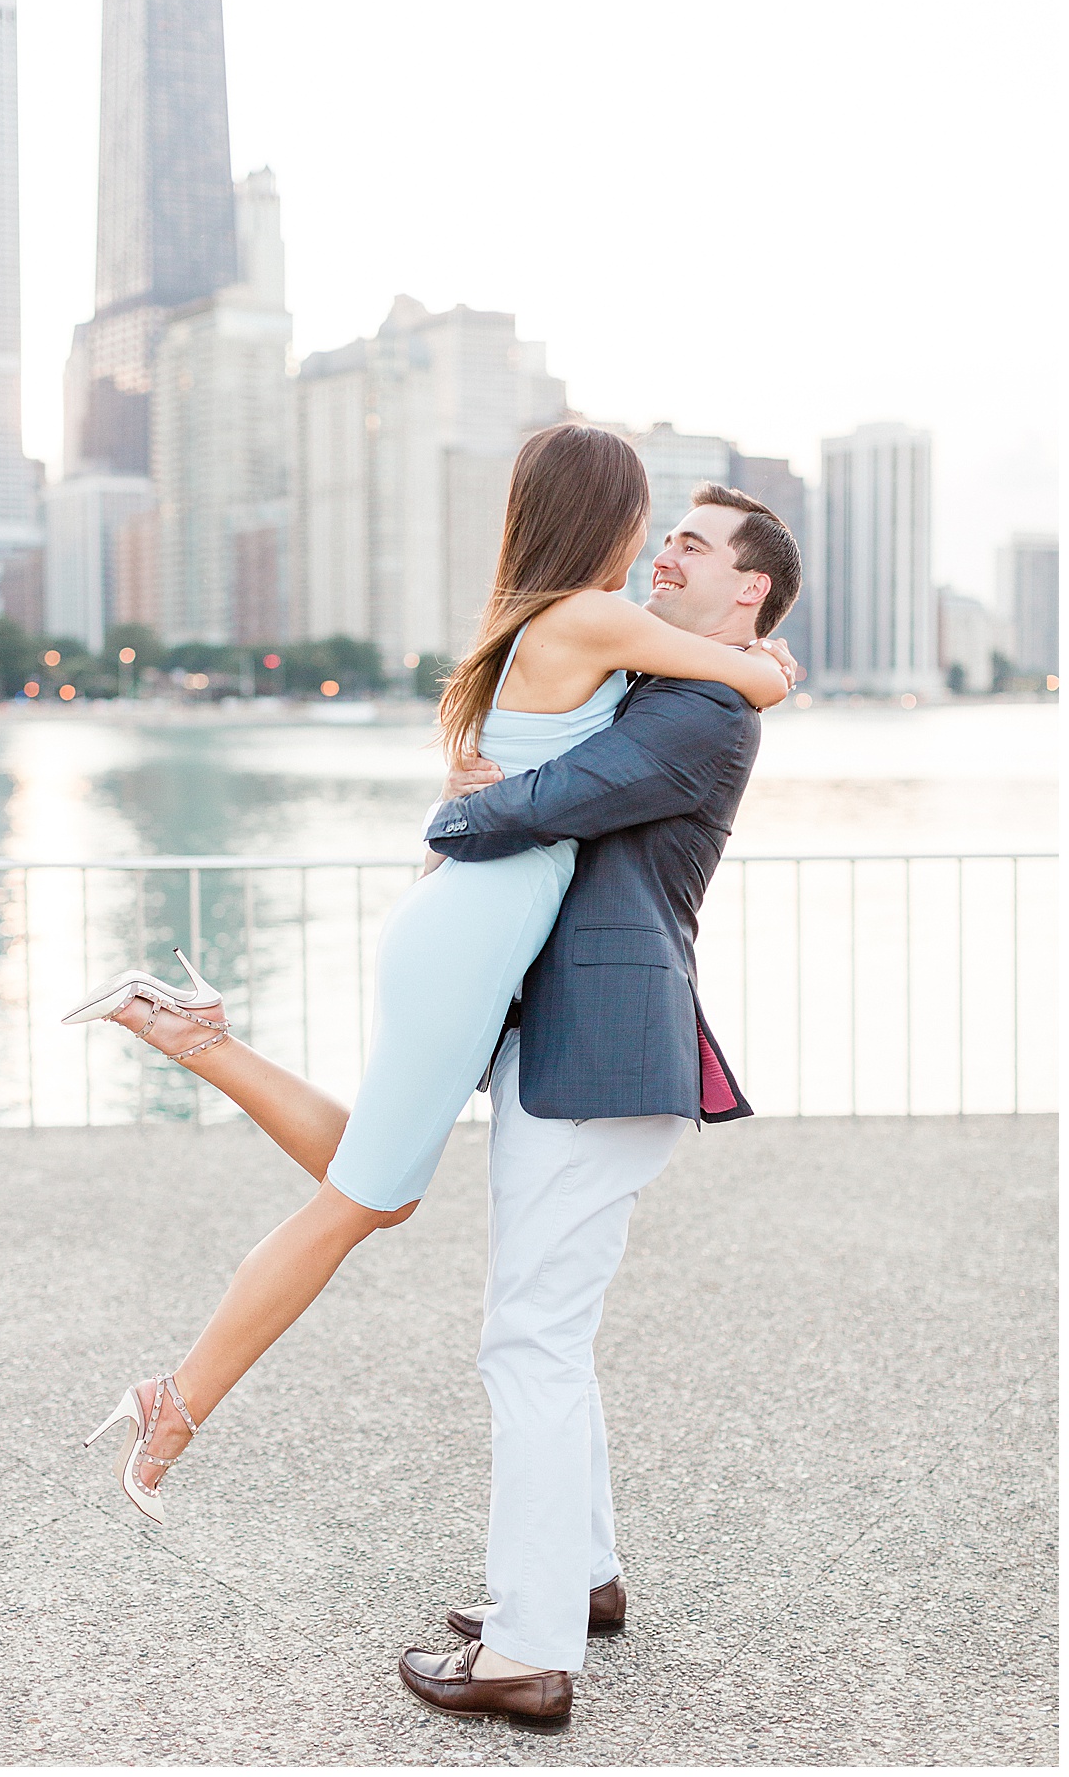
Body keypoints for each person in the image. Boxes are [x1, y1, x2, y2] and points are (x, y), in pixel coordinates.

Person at [66, 426, 793, 1540]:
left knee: (382, 1183)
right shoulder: (594, 618)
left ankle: (195, 1034)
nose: (651, 540)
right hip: (471, 927)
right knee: (359, 1199)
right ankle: (175, 1402)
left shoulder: (552, 621)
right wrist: (774, 663)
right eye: (646, 516)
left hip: (462, 917)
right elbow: (750, 675)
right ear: (606, 514)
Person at [394, 480, 802, 1731]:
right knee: (550, 1333)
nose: (664, 552)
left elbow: (546, 805)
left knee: (526, 1342)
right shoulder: (664, 683)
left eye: (693, 543)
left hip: (604, 1052)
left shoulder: (701, 709)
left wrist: (457, 805)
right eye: (663, 532)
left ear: (751, 592)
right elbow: (543, 765)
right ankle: (581, 1578)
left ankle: (527, 1652)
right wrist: (490, 769)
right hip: (582, 1047)